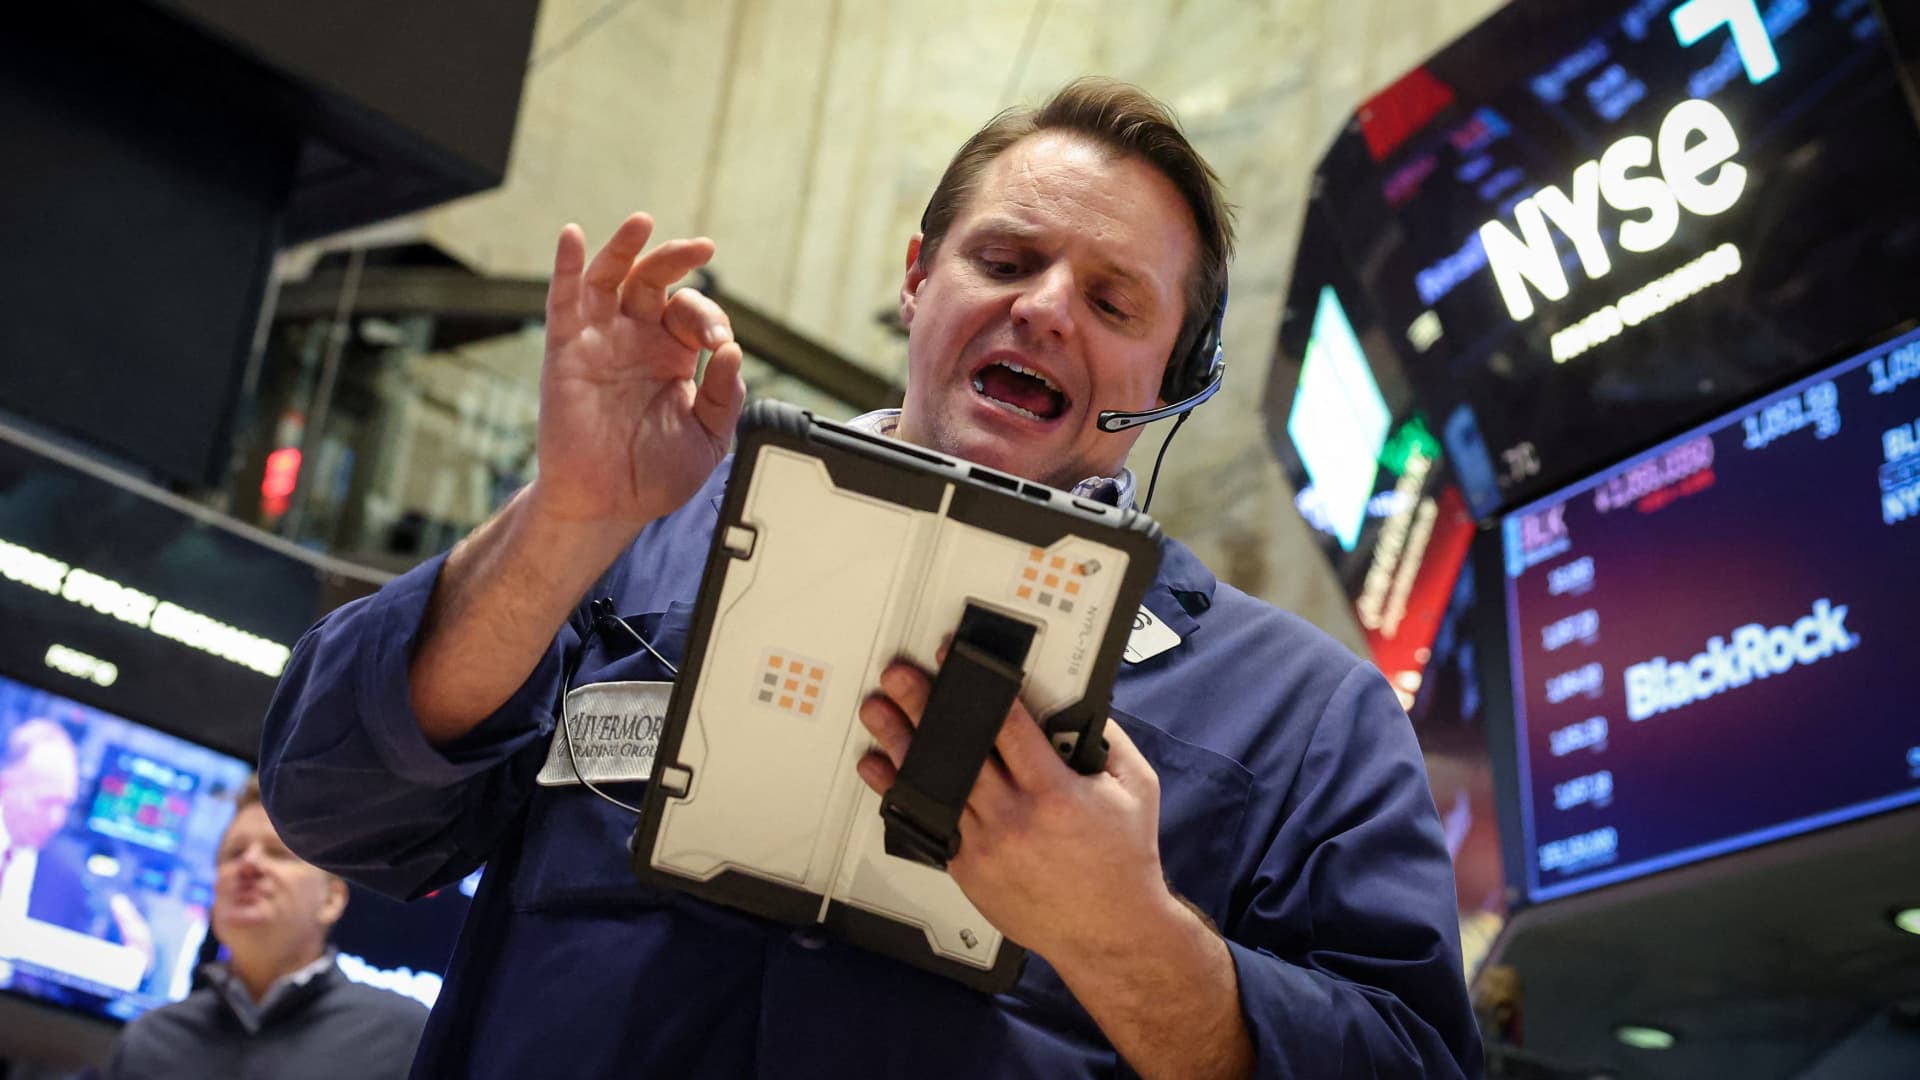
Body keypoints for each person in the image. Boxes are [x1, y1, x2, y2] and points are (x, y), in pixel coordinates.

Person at [260, 78, 1482, 1078]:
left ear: (1168, 382)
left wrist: (1130, 939)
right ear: (917, 279)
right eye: (1005, 258)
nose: (1046, 308)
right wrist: (567, 516)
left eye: (1114, 301)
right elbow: (333, 800)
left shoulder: (1306, 718)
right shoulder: (638, 535)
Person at [105, 777, 427, 1080]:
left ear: (331, 899)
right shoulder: (150, 1040)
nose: (249, 864)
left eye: (278, 852)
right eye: (233, 853)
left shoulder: (405, 1038)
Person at [0, 719, 151, 961]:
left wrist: (130, 965)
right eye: (47, 802)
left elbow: (64, 979)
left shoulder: (65, 882)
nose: (56, 820)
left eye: (65, 805)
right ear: (5, 787)